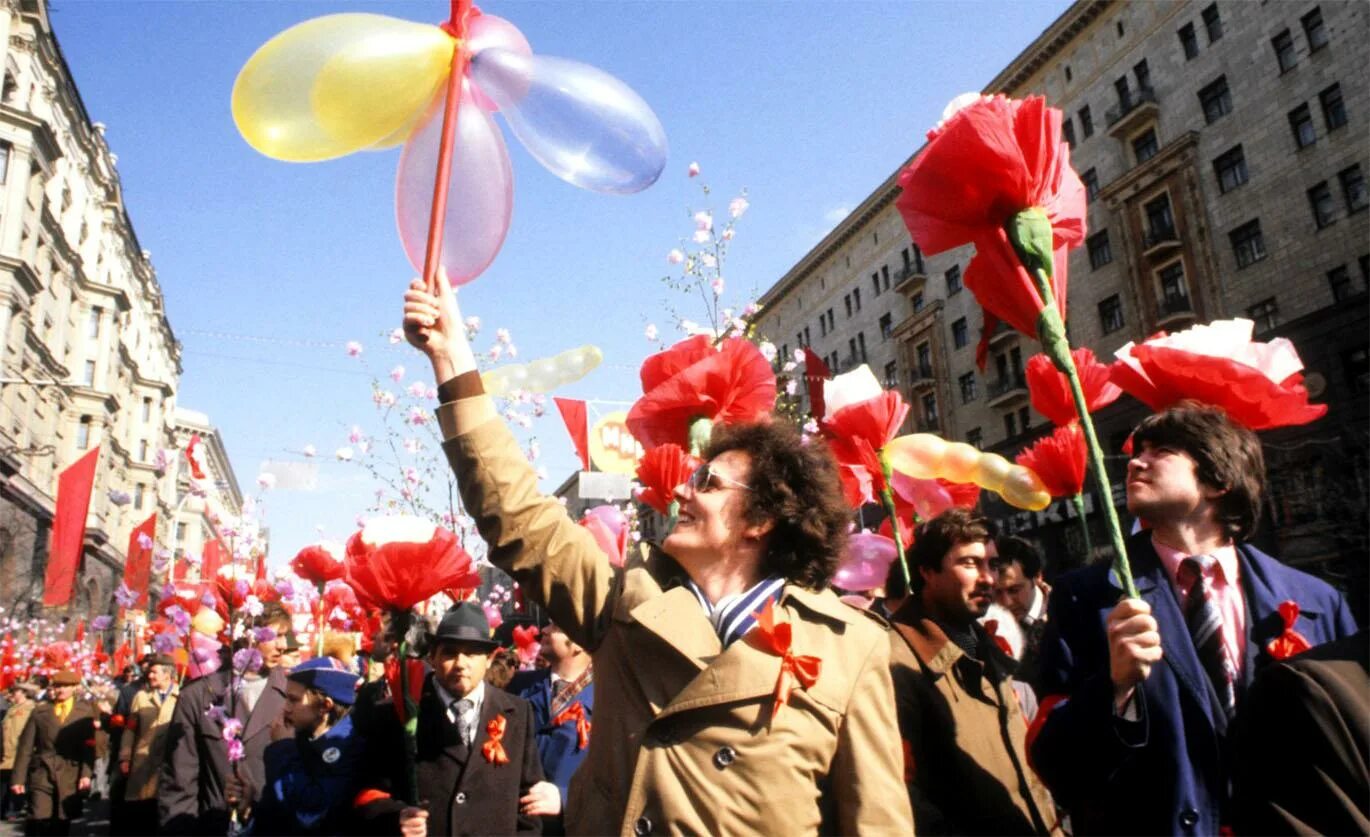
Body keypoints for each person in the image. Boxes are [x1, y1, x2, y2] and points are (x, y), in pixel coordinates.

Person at [401, 271, 912, 834]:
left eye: (710, 484)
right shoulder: (628, 605)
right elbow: (520, 517)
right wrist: (452, 360)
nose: (683, 490)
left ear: (762, 522)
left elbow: (877, 821)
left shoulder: (851, 646)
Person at [1030, 403, 1358, 835]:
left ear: (1219, 479)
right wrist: (1114, 688)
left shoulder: (1316, 600)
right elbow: (1056, 765)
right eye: (1135, 451)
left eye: (1160, 450)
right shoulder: (1086, 597)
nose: (1134, 461)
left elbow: (1355, 742)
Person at [888, 508, 1056, 834]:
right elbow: (902, 797)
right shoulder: (893, 661)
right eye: (969, 563)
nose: (988, 578)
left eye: (991, 564)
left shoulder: (985, 646)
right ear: (926, 570)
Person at [354, 602, 545, 836]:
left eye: (472, 653)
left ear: (488, 659)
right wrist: (395, 819)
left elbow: (529, 801)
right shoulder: (395, 713)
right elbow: (365, 794)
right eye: (450, 653)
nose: (461, 664)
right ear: (432, 656)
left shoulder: (517, 713)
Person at [159, 601, 293, 835]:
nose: (283, 646)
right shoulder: (199, 696)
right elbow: (180, 780)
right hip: (213, 825)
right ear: (247, 635)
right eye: (275, 636)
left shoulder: (292, 695)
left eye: (285, 636)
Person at [248, 656, 364, 835]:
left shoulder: (348, 747)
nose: (285, 708)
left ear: (325, 706)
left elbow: (309, 811)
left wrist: (282, 748)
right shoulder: (301, 737)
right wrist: (249, 804)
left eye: (293, 700)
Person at [509, 623, 593, 834]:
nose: (543, 631)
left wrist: (565, 799)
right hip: (519, 825)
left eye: (556, 626)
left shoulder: (609, 697)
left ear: (579, 643)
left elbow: (621, 774)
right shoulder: (519, 685)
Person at [11, 670, 100, 836]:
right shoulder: (40, 712)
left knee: (61, 821)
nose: (61, 690)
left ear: (75, 688)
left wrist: (86, 775)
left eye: (66, 686)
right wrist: (18, 779)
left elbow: (88, 747)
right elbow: (25, 747)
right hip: (42, 772)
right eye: (58, 686)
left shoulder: (85, 712)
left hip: (69, 774)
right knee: (38, 819)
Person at [114, 653, 177, 835]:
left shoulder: (181, 696)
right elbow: (130, 730)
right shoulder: (141, 697)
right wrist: (125, 757)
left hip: (167, 765)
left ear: (167, 674)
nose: (149, 676)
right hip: (142, 764)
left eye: (154, 672)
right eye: (149, 672)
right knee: (141, 815)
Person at [990, 536, 1049, 690]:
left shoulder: (1067, 614)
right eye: (996, 593)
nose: (1006, 602)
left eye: (1014, 590)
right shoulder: (986, 627)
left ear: (1037, 577)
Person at [0, 682, 37, 821]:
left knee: (18, 781)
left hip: (20, 751)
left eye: (15, 691)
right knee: (4, 783)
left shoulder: (31, 708)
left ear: (24, 692)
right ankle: (4, 809)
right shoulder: (11, 709)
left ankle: (13, 810)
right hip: (6, 751)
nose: (12, 694)